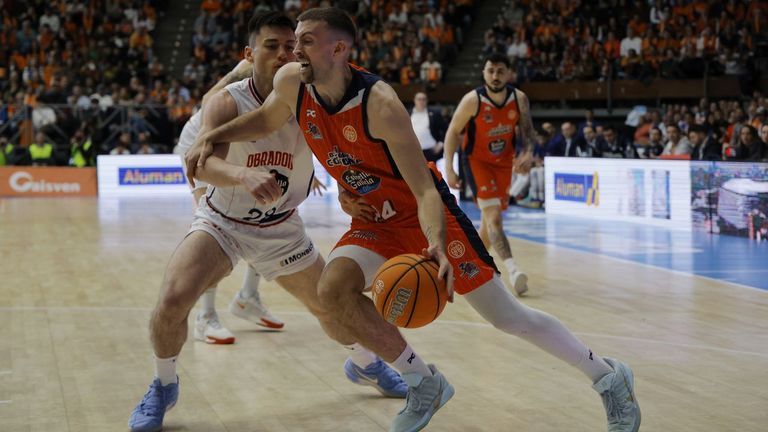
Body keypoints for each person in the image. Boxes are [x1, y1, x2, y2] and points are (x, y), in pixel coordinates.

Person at [188, 8, 640, 432]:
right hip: (376, 218)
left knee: (507, 317)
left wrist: (437, 243)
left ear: (338, 50)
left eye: (305, 41)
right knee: (333, 290)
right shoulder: (292, 82)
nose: (293, 51)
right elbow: (265, 121)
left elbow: (425, 189)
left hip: (424, 213)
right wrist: (211, 136)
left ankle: (607, 376)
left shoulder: (380, 103)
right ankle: (424, 381)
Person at [128, 12, 406, 432]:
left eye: (289, 47)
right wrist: (242, 175)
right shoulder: (226, 101)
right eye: (270, 46)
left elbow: (333, 147)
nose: (283, 54)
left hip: (282, 228)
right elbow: (203, 167)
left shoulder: (311, 95)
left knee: (331, 308)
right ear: (249, 54)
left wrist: (343, 187)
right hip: (224, 222)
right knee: (171, 300)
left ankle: (364, 363)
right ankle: (163, 385)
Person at [175, 58, 286, 344]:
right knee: (214, 227)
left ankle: (247, 297)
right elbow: (209, 99)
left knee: (266, 213)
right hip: (201, 141)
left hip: (242, 139)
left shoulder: (289, 68)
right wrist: (238, 70)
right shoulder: (254, 65)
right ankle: (205, 316)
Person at [443, 53, 529, 296]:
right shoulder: (473, 100)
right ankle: (513, 270)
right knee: (494, 219)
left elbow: (528, 132)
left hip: (504, 165)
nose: (495, 76)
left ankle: (469, 267)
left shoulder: (519, 99)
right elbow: (452, 132)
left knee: (488, 223)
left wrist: (528, 153)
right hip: (477, 162)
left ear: (509, 74)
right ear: (483, 72)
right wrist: (450, 168)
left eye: (500, 71)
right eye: (490, 70)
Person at [409, 91, 446, 163]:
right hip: (413, 151)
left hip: (430, 150)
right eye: (419, 99)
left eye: (423, 99)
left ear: (426, 101)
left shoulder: (434, 114)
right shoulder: (408, 113)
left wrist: (441, 144)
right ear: (414, 100)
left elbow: (446, 129)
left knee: (431, 173)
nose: (421, 101)